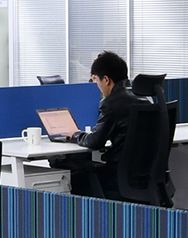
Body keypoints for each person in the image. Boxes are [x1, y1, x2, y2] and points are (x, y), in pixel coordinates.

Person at [49, 51, 150, 197]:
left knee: (69, 167)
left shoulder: (112, 103)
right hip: (146, 176)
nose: (97, 86)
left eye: (96, 80)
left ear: (106, 80)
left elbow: (95, 142)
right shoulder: (146, 100)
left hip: (119, 176)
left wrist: (76, 134)